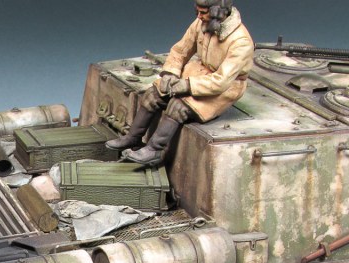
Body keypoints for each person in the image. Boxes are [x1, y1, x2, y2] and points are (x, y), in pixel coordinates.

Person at [106, 0, 254, 166]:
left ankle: (154, 150)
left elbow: (222, 80)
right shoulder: (201, 24)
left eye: (203, 12)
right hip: (197, 73)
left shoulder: (241, 41)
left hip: (224, 89)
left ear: (218, 12)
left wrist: (188, 86)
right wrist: (170, 73)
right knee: (152, 95)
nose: (199, 16)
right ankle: (133, 137)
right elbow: (180, 50)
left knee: (178, 107)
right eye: (198, 11)